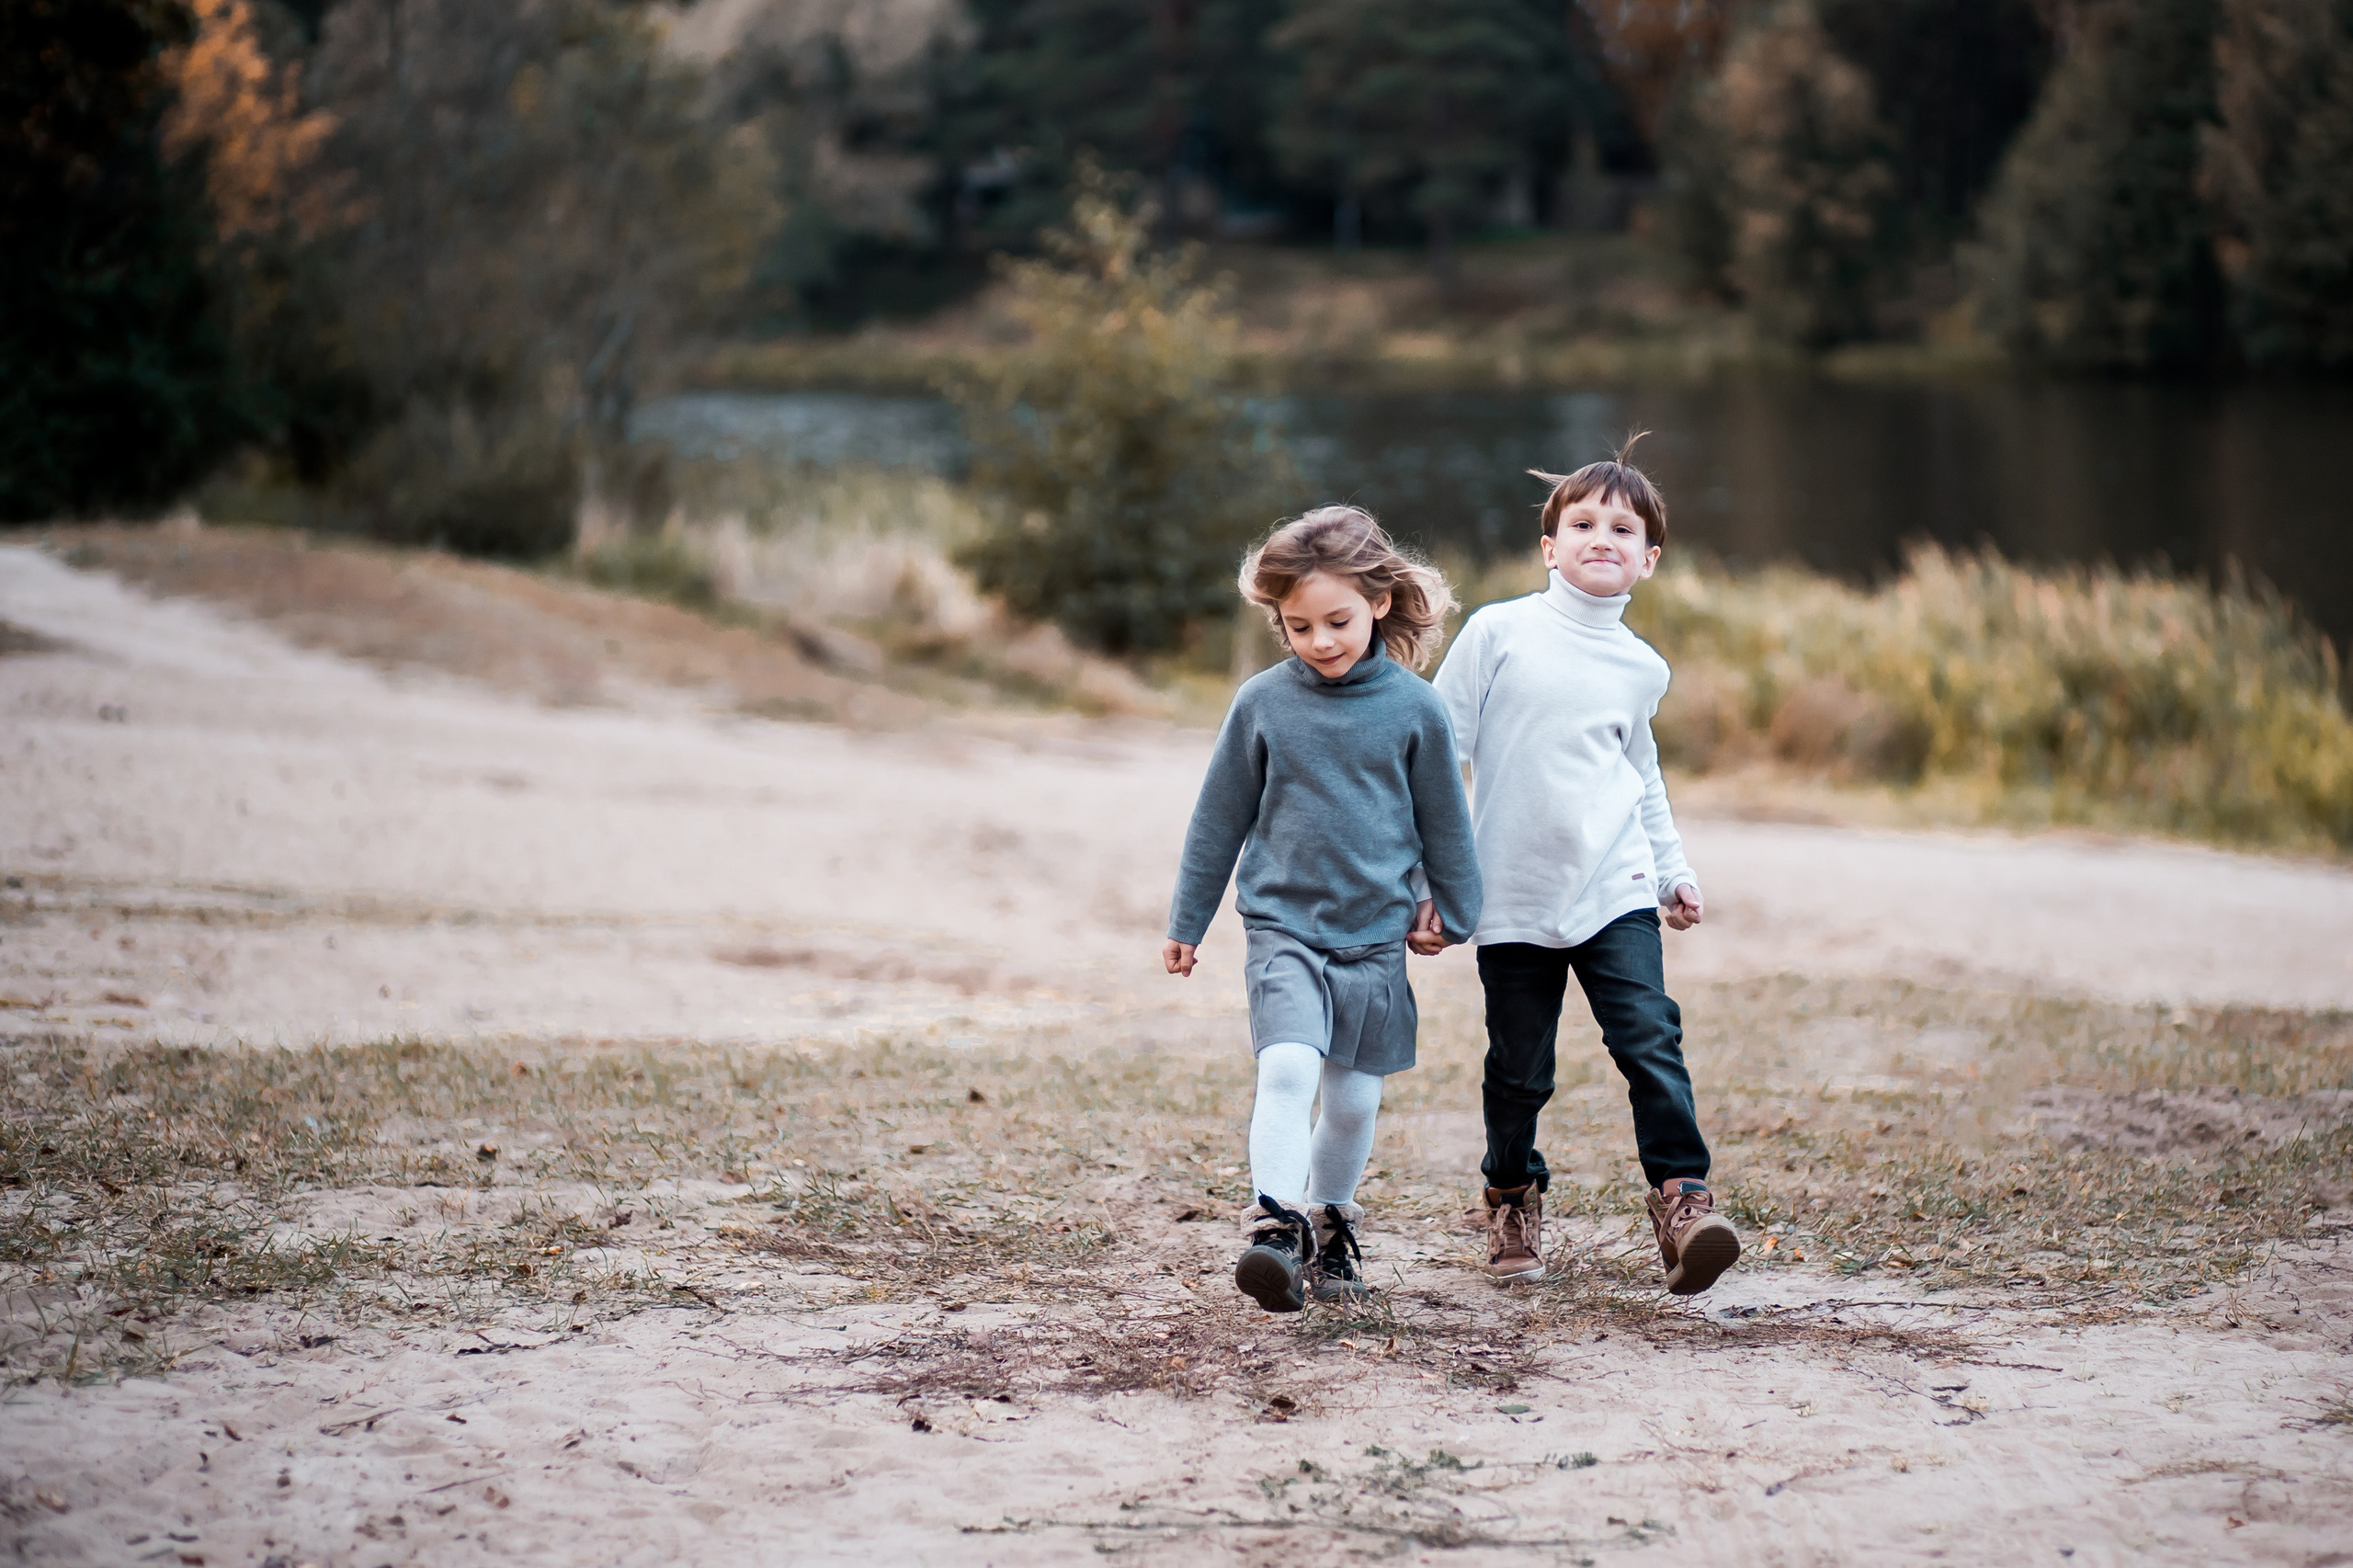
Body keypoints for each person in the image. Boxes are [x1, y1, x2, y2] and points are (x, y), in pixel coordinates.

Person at [1431, 436, 1741, 1295]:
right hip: (1513, 897)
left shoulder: (1644, 667)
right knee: (1519, 1068)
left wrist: (1673, 868)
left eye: (1622, 527)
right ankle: (1511, 1198)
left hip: (1617, 889)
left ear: (1649, 559)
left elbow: (1640, 774)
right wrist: (1427, 875)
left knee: (1650, 1040)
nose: (1601, 536)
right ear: (1549, 547)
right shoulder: (1499, 632)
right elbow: (1440, 752)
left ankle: (1684, 1201)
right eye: (1582, 522)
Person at [1164, 506, 1482, 1313]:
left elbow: (1445, 821)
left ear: (1378, 602)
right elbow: (1217, 819)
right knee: (1288, 1067)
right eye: (1298, 626)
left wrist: (1456, 910)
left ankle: (1331, 1222)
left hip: (1374, 939)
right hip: (1284, 929)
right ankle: (1274, 1227)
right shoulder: (1263, 704)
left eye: (1336, 621)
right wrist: (1188, 922)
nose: (1320, 641)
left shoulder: (1416, 711)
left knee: (1351, 1101)